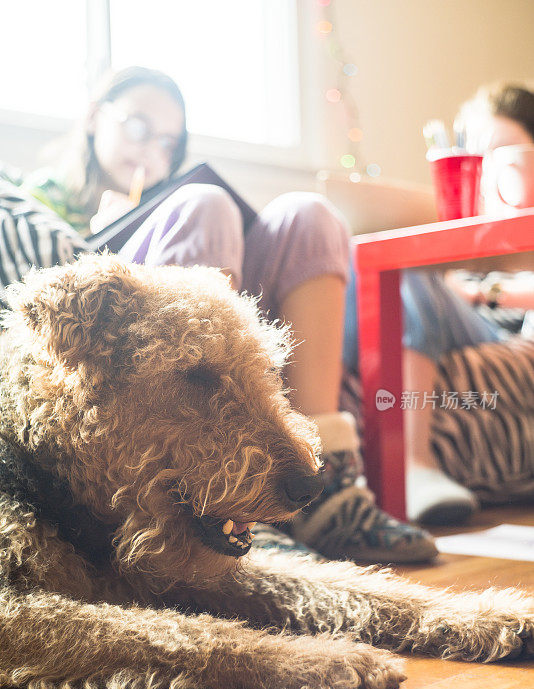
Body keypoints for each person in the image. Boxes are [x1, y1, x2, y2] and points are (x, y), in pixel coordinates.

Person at [21, 65, 437, 565]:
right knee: (205, 203)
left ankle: (329, 484)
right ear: (93, 117)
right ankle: (226, 498)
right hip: (124, 327)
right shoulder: (32, 197)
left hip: (202, 303)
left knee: (310, 215)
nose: (153, 150)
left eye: (169, 142)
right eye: (139, 128)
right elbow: (40, 310)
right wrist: (98, 233)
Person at [395, 83, 534, 524]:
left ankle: (414, 464)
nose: (495, 169)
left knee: (414, 272)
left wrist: (477, 291)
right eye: (481, 154)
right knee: (398, 269)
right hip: (450, 323)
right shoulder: (466, 239)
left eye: (509, 153)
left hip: (498, 333)